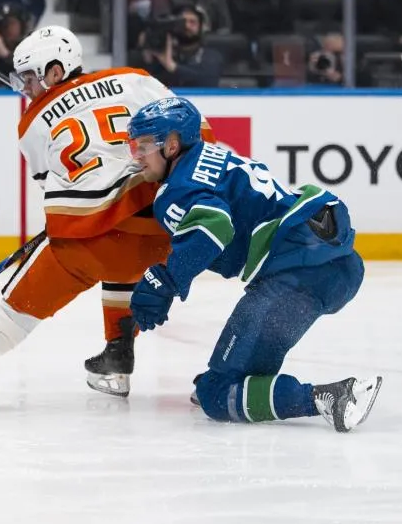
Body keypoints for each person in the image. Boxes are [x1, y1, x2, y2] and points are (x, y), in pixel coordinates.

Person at [0, 27, 204, 413]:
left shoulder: (30, 124)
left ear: (56, 72)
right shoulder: (136, 79)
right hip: (162, 232)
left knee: (10, 315)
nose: (26, 88)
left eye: (29, 78)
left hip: (88, 244)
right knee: (131, 243)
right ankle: (118, 355)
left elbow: (60, 187)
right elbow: (198, 136)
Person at [124, 96, 382, 433]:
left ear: (172, 146)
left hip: (296, 277)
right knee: (234, 378)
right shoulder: (213, 153)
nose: (136, 156)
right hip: (336, 265)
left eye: (143, 146)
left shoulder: (175, 191)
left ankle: (329, 398)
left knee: (217, 395)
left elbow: (213, 227)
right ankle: (236, 377)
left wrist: (167, 281)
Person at [141, 5, 223, 88]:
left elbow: (208, 81)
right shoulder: (160, 53)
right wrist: (148, 60)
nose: (187, 26)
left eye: (192, 22)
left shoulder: (211, 56)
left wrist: (172, 66)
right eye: (182, 22)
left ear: (201, 27)